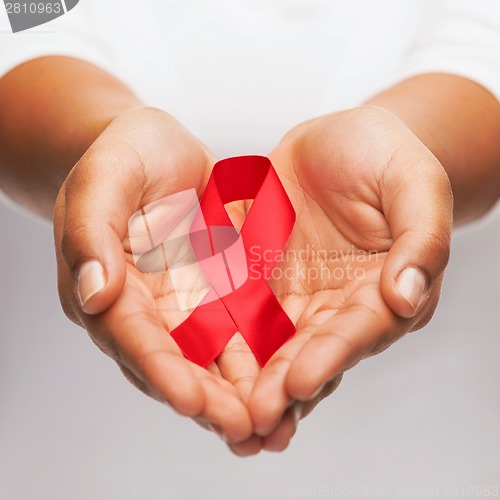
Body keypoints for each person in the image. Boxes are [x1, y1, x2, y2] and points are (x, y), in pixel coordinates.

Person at [0, 0, 499, 456]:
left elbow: (485, 42)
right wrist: (100, 149)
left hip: (426, 440)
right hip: (69, 444)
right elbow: (24, 26)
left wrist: (408, 156)